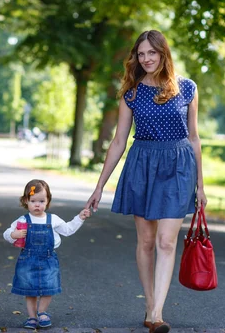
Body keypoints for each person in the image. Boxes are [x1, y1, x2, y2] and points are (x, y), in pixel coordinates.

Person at [85, 29, 207, 333]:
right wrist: (99, 187)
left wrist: (201, 186)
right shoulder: (131, 93)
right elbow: (117, 142)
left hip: (179, 167)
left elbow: (194, 137)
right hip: (142, 164)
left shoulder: (188, 89)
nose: (146, 58)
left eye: (151, 52)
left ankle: (157, 313)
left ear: (163, 54)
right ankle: (150, 304)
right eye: (141, 54)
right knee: (148, 241)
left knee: (167, 240)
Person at [4, 179, 91, 329]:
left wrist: (80, 218)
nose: (37, 205)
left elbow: (68, 230)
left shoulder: (53, 219)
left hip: (49, 258)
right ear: (26, 201)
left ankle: (42, 312)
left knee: (48, 287)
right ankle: (31, 317)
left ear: (48, 201)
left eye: (42, 201)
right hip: (28, 259)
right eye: (33, 201)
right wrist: (14, 234)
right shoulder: (23, 220)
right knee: (29, 289)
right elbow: (6, 233)